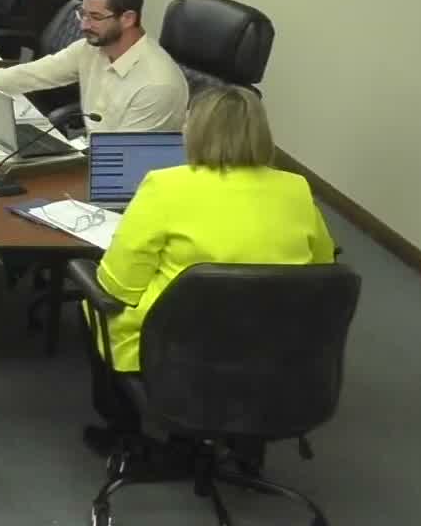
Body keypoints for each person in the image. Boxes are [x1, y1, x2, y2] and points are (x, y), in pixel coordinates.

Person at [80, 86, 336, 448]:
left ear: (196, 131)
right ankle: (244, 449)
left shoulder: (165, 186)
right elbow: (323, 268)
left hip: (175, 347)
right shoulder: (296, 189)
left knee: (92, 305)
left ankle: (124, 433)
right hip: (272, 345)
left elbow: (118, 286)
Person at [0, 0, 187, 133]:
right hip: (91, 158)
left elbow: (127, 162)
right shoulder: (93, 48)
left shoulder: (157, 85)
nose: (84, 25)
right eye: (82, 14)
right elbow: (38, 72)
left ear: (128, 18)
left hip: (122, 177)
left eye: (95, 17)